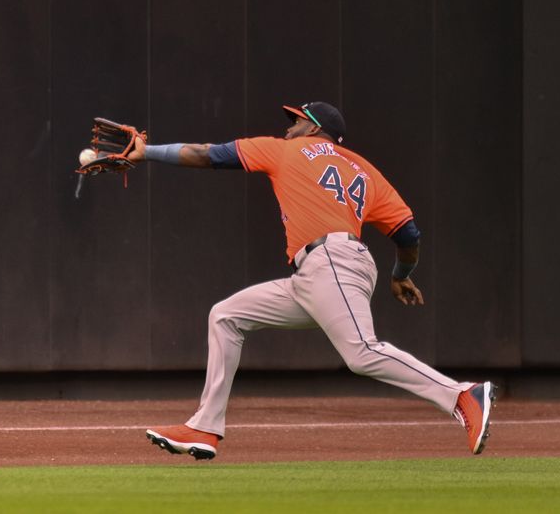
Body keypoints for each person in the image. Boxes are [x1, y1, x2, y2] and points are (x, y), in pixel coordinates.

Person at [129, 101, 496, 459]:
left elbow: (206, 153)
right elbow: (408, 234)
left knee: (362, 353)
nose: (289, 126)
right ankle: (204, 427)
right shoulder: (364, 169)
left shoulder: (284, 150)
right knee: (226, 316)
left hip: (331, 263)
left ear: (315, 128)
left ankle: (462, 394)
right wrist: (401, 275)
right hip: (322, 272)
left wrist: (147, 153)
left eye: (297, 120)